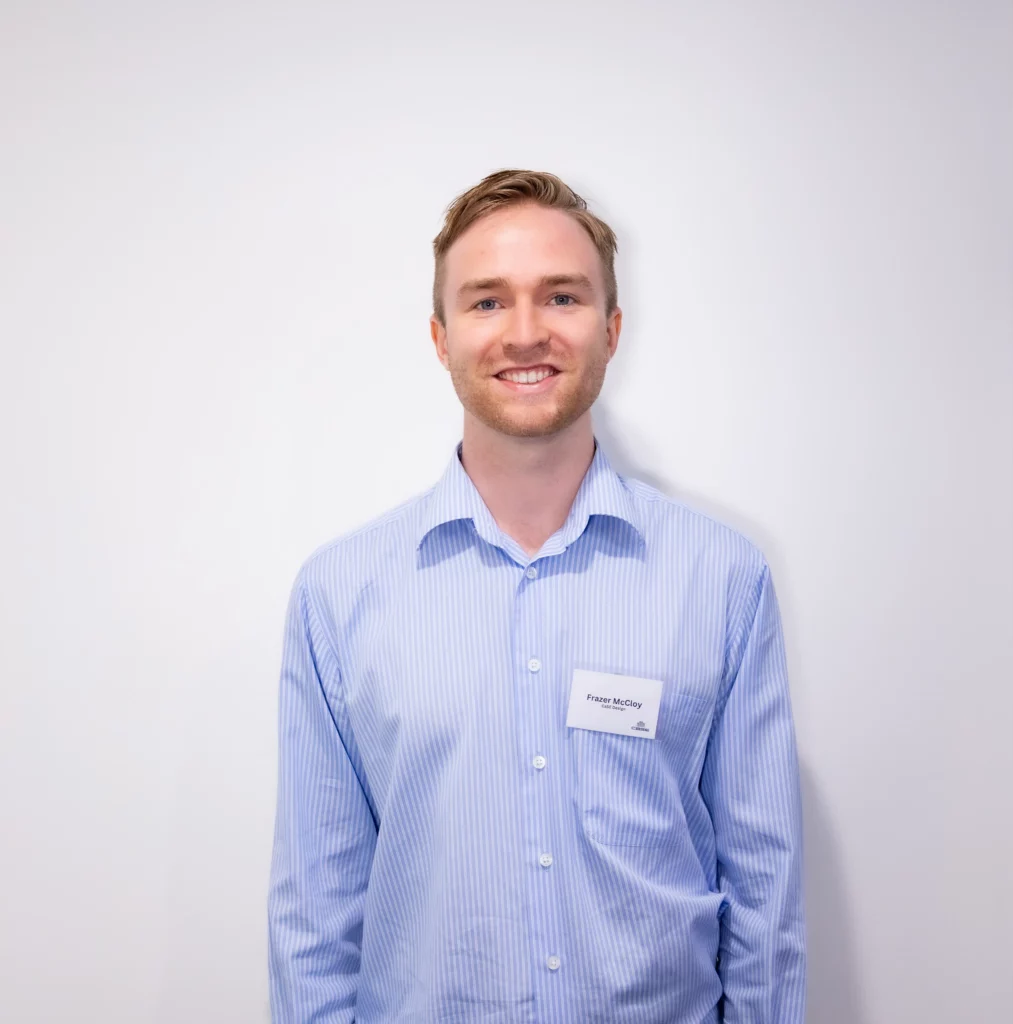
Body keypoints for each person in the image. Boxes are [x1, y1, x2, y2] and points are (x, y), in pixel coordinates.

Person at [268, 168, 806, 1023]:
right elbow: (314, 914)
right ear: (440, 337)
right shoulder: (338, 595)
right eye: (487, 302)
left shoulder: (720, 578)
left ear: (611, 329)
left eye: (561, 297)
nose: (525, 334)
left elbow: (764, 893)